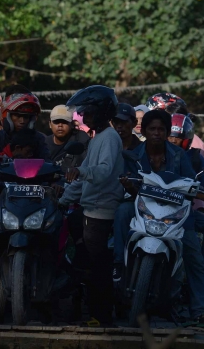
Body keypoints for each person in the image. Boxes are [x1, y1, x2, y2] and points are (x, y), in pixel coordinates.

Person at [115, 110, 204, 323]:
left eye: (161, 129)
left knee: (192, 251)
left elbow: (191, 182)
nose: (157, 133)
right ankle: (118, 265)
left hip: (175, 213)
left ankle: (199, 309)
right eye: (152, 129)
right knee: (122, 212)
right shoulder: (134, 154)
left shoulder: (179, 156)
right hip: (144, 209)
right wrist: (128, 185)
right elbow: (128, 184)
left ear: (167, 132)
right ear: (144, 131)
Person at [59, 85, 124, 326]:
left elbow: (103, 172)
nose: (83, 118)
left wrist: (81, 171)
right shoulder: (98, 139)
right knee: (87, 263)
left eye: (87, 113)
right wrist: (63, 198)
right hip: (89, 209)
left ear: (101, 112)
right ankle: (89, 308)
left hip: (100, 212)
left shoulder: (109, 138)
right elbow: (82, 179)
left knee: (98, 268)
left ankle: (101, 316)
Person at [169, 114, 204, 287]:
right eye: (169, 136)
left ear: (186, 140)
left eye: (177, 138)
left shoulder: (195, 158)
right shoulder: (151, 151)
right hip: (151, 208)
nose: (172, 141)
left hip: (184, 213)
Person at [0, 85, 50, 165]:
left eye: (26, 116)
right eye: (17, 116)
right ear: (7, 115)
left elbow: (48, 163)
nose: (22, 121)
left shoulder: (39, 140)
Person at [45, 105, 90, 172]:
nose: (60, 125)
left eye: (64, 121)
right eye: (56, 122)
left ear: (72, 124)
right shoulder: (44, 143)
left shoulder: (81, 138)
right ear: (50, 124)